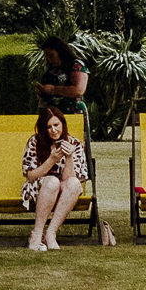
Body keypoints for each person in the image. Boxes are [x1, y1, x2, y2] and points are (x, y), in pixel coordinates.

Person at [20, 106, 87, 251]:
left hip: (63, 190)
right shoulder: (35, 142)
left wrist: (69, 157)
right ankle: (36, 235)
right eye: (49, 127)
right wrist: (51, 160)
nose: (54, 130)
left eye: (56, 125)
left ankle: (50, 233)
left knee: (74, 183)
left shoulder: (74, 144)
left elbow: (71, 179)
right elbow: (30, 175)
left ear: (62, 124)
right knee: (52, 181)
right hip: (37, 187)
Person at [34, 36, 88, 118]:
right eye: (46, 56)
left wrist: (53, 90)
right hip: (52, 115)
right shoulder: (51, 68)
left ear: (61, 52)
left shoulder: (76, 65)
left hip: (71, 114)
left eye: (51, 55)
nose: (48, 59)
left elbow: (78, 90)